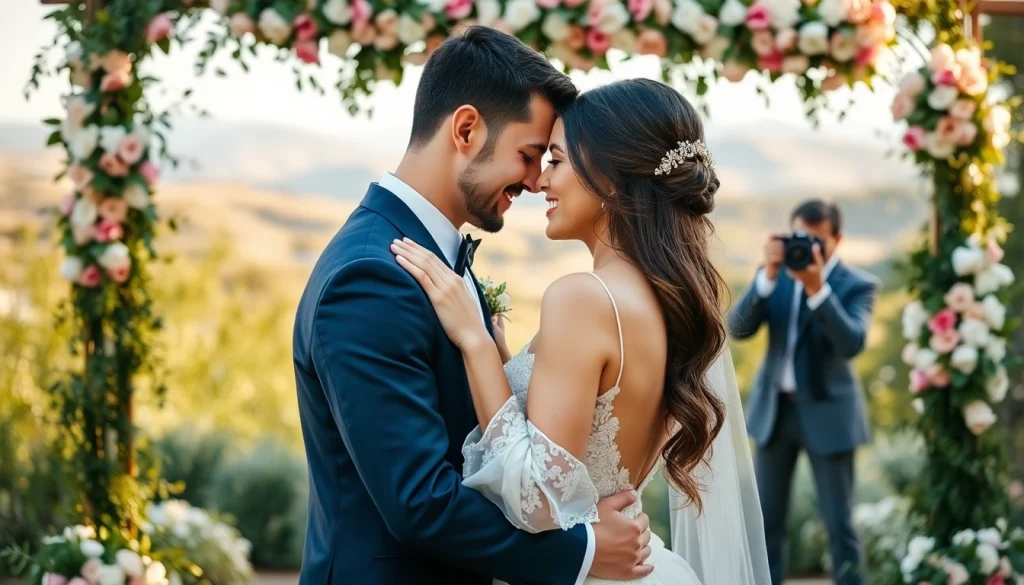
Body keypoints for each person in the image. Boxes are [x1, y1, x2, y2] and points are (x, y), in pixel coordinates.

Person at [292, 27, 653, 585]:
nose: (537, 181)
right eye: (530, 155)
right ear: (466, 129)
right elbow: (419, 501)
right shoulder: (369, 277)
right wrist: (580, 552)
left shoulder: (427, 258)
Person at [391, 76, 770, 584]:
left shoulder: (584, 298)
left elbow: (538, 500)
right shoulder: (669, 302)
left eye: (557, 160)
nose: (541, 181)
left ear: (610, 178)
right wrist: (508, 365)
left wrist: (476, 343)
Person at [728, 200, 879, 585]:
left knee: (839, 523)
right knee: (767, 521)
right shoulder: (775, 276)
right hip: (776, 413)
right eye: (801, 237)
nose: (808, 248)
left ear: (837, 239)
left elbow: (852, 343)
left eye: (818, 240)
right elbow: (738, 328)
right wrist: (767, 276)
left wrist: (817, 289)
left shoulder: (857, 285)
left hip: (829, 416)